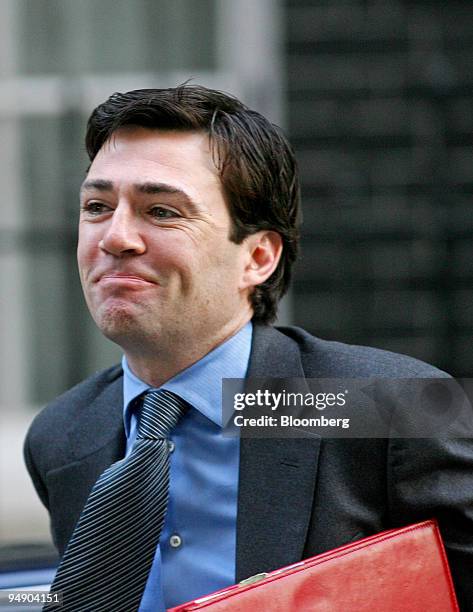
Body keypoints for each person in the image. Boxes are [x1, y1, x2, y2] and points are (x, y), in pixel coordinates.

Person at [24, 84, 473, 611]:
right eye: (97, 206)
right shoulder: (63, 435)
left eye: (163, 211)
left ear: (258, 256)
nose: (116, 237)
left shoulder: (388, 406)